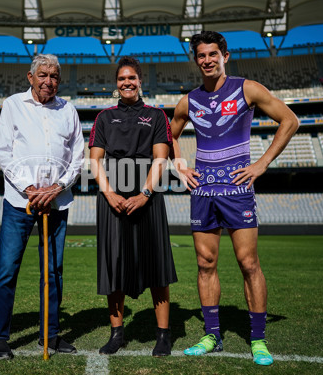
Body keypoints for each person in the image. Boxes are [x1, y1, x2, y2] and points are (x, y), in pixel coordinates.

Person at [169, 31, 299, 366]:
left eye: (213, 54)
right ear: (195, 60)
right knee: (205, 264)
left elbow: (289, 120)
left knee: (249, 263)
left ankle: (257, 339)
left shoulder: (247, 89)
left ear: (225, 55)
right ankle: (212, 334)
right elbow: (170, 135)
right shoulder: (189, 100)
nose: (208, 60)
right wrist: (180, 165)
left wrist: (262, 163)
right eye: (201, 55)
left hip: (238, 190)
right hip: (203, 191)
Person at [0, 54, 84, 359]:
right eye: (42, 75)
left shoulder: (68, 110)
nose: (48, 81)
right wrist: (30, 189)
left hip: (56, 203)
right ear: (30, 77)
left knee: (53, 272)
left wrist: (56, 188)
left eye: (54, 76)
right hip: (21, 202)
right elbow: (3, 152)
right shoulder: (13, 105)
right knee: (6, 270)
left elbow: (78, 157)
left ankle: (52, 335)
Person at [89, 56, 177, 357]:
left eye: (132, 78)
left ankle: (163, 335)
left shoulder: (156, 116)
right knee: (114, 265)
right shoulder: (103, 118)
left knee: (156, 266)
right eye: (122, 79)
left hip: (148, 198)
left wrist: (144, 194)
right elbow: (95, 161)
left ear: (140, 81)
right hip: (112, 200)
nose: (127, 83)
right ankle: (117, 334)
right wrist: (110, 194)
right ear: (117, 84)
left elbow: (160, 159)